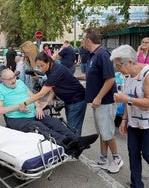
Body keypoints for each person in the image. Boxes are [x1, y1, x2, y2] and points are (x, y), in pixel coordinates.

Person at [0, 68, 98, 158]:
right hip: (16, 119)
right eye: (10, 79)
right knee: (37, 126)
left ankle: (77, 140)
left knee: (54, 122)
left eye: (14, 77)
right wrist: (18, 107)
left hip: (33, 113)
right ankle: (68, 144)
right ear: (2, 80)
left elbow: (32, 96)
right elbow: (0, 110)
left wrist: (38, 106)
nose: (13, 80)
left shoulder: (20, 83)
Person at [81, 27, 123, 173]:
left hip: (105, 102)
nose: (81, 42)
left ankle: (117, 158)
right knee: (103, 131)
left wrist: (98, 97)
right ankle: (103, 158)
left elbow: (110, 79)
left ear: (88, 40)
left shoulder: (102, 54)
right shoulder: (93, 55)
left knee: (108, 132)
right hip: (98, 103)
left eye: (82, 39)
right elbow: (93, 76)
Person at [18, 52, 87, 135]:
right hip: (70, 100)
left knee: (73, 130)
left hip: (77, 100)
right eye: (38, 66)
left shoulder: (56, 71)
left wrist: (24, 103)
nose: (41, 69)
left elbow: (41, 94)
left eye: (42, 65)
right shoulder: (50, 69)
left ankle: (76, 146)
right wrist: (47, 102)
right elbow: (53, 88)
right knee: (71, 128)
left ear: (48, 62)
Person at [111, 45, 149, 188]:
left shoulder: (146, 74)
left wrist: (127, 100)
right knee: (133, 153)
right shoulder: (126, 76)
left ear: (130, 62)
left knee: (147, 153)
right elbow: (128, 99)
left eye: (119, 65)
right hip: (134, 122)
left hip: (147, 124)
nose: (117, 68)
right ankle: (136, 184)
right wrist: (124, 120)